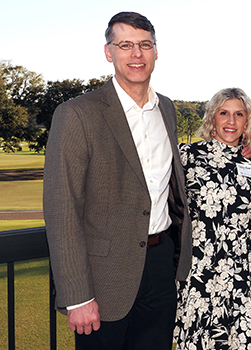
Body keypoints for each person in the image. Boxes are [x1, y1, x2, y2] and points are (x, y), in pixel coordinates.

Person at [43, 12, 192, 350]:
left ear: (156, 52)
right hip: (104, 278)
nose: (136, 54)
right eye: (125, 45)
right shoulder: (77, 113)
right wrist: (77, 296)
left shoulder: (166, 109)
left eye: (144, 45)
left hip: (160, 268)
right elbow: (62, 208)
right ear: (109, 52)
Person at [173, 88, 251, 350]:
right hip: (199, 275)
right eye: (224, 113)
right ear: (213, 118)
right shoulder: (187, 157)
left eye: (239, 114)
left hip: (242, 276)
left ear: (248, 121)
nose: (231, 121)